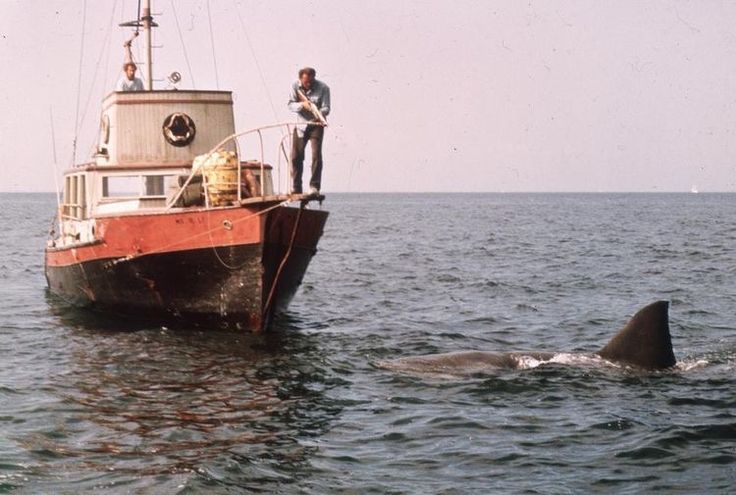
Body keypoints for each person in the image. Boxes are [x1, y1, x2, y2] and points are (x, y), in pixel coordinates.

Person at [288, 67, 330, 195]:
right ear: (301, 79)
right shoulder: (295, 86)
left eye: (311, 81)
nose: (309, 84)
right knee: (296, 157)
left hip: (316, 124)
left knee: (316, 155)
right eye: (306, 82)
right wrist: (302, 105)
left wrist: (316, 111)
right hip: (301, 125)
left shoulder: (323, 88)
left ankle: (314, 186)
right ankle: (296, 187)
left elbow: (327, 108)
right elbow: (290, 104)